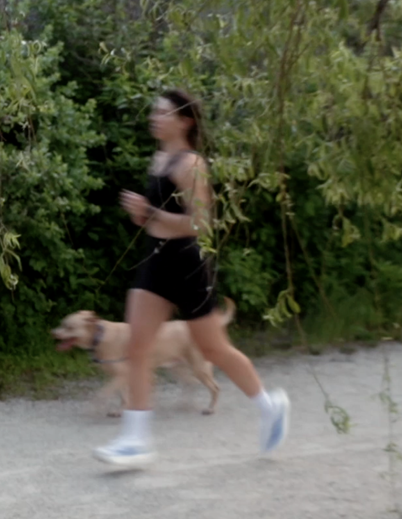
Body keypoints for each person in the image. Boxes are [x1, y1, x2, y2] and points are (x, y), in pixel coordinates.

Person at [94, 89, 288, 468]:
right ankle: (136, 441)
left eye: (163, 112)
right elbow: (155, 218)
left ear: (185, 121)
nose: (154, 117)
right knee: (137, 346)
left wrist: (150, 211)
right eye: (154, 111)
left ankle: (271, 405)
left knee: (214, 350)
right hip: (154, 259)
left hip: (186, 263)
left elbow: (200, 223)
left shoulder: (191, 164)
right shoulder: (159, 159)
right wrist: (141, 214)